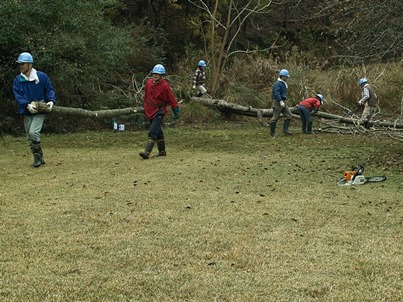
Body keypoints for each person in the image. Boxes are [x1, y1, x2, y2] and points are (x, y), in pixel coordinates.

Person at [12, 52, 56, 167]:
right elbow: (18, 96)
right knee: (29, 136)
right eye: (19, 64)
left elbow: (49, 89)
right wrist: (27, 105)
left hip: (40, 109)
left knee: (33, 132)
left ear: (29, 65)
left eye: (22, 64)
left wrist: (51, 100)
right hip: (26, 110)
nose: (20, 66)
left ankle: (37, 158)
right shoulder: (17, 80)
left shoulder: (41, 77)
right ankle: (39, 157)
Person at [139, 64, 180, 159]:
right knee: (158, 132)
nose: (155, 75)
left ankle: (147, 152)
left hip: (159, 111)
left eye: (158, 74)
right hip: (149, 110)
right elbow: (146, 96)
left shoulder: (165, 86)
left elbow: (171, 98)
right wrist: (144, 107)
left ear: (162, 75)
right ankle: (162, 151)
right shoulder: (149, 83)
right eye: (154, 73)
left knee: (153, 131)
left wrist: (175, 110)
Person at [269, 69, 292, 138]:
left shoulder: (283, 83)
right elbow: (276, 93)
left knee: (289, 115)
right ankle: (272, 134)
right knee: (275, 117)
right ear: (283, 77)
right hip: (278, 102)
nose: (287, 78)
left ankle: (285, 130)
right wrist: (280, 100)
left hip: (283, 101)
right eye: (286, 77)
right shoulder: (278, 84)